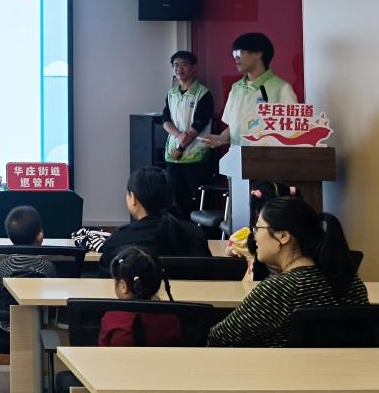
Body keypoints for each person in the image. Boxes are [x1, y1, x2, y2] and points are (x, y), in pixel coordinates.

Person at [207, 196, 367, 347]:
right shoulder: (351, 282)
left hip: (281, 367)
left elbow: (218, 339)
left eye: (258, 228)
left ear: (283, 236)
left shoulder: (278, 289)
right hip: (347, 367)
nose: (254, 236)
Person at [199, 32, 298, 230]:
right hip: (237, 165)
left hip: (268, 168)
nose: (235, 58)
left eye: (240, 52)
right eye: (233, 53)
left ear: (258, 54)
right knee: (239, 222)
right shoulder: (236, 88)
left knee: (263, 222)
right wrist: (220, 138)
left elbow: (291, 128)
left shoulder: (280, 88)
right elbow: (233, 125)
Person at [55, 246, 181, 393]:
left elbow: (102, 357)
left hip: (111, 385)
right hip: (161, 385)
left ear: (123, 286)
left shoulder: (113, 317)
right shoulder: (171, 319)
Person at [100, 167, 210, 271]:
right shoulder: (195, 234)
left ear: (133, 198)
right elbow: (208, 273)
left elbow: (107, 280)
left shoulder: (117, 240)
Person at [161, 51, 215, 219]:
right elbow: (165, 120)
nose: (179, 68)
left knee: (201, 201)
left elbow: (198, 125)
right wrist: (178, 136)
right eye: (175, 65)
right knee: (178, 200)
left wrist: (180, 147)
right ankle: (183, 231)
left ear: (194, 68)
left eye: (184, 64)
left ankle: (203, 233)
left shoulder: (203, 94)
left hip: (196, 156)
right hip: (173, 157)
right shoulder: (171, 93)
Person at [0, 206, 57, 310]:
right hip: (40, 318)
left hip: (7, 319)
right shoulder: (47, 266)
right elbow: (53, 300)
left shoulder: (3, 265)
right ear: (40, 236)